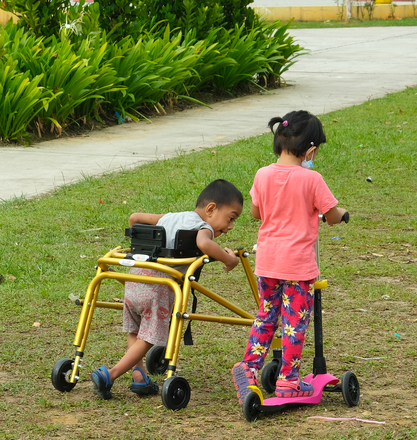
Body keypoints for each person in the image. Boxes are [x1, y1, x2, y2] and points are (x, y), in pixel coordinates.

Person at [232, 110, 348, 404]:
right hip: (297, 266)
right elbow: (331, 215)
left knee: (266, 316)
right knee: (294, 323)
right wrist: (341, 213)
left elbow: (257, 213)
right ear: (310, 150)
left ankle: (249, 367)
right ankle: (288, 381)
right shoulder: (312, 179)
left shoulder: (262, 174)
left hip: (268, 262)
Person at [91, 179, 243, 400]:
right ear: (211, 209)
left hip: (135, 278)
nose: (230, 227)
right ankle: (110, 374)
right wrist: (230, 260)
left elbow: (135, 218)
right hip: (160, 287)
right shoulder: (204, 227)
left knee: (137, 331)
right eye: (231, 218)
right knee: (149, 337)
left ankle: (139, 376)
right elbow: (204, 244)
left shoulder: (171, 217)